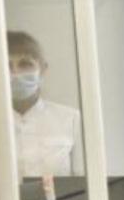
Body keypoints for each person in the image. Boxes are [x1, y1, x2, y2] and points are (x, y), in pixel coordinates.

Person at [8, 30, 83, 176]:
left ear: (43, 69)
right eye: (8, 66)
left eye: (25, 64)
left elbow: (84, 178)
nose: (15, 73)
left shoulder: (71, 119)